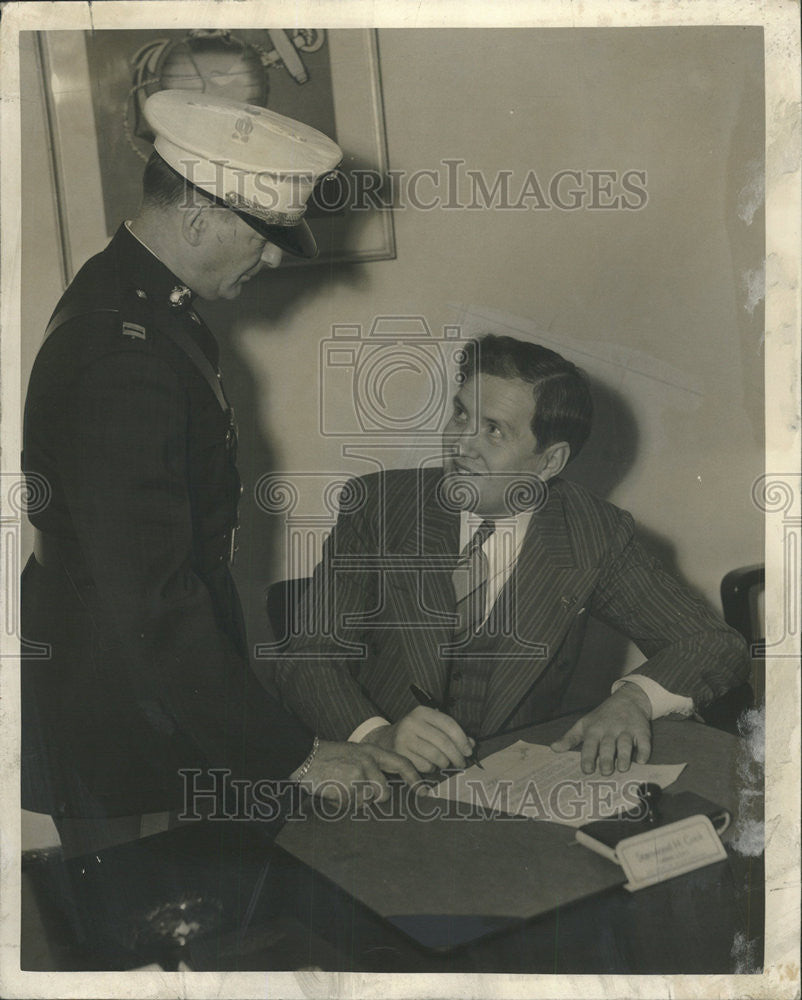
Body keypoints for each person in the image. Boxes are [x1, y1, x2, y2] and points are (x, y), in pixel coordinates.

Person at [21, 90, 416, 861]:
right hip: (128, 722)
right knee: (162, 946)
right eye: (264, 235)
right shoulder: (123, 354)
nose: (273, 257)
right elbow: (154, 600)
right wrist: (298, 756)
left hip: (154, 692)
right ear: (198, 215)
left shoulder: (142, 302)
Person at [271, 334, 750, 777]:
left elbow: (712, 642)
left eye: (493, 431)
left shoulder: (593, 534)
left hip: (509, 785)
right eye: (461, 415)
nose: (460, 443)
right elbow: (308, 659)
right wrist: (377, 734)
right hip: (374, 775)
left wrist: (634, 699)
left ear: (548, 462)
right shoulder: (378, 507)